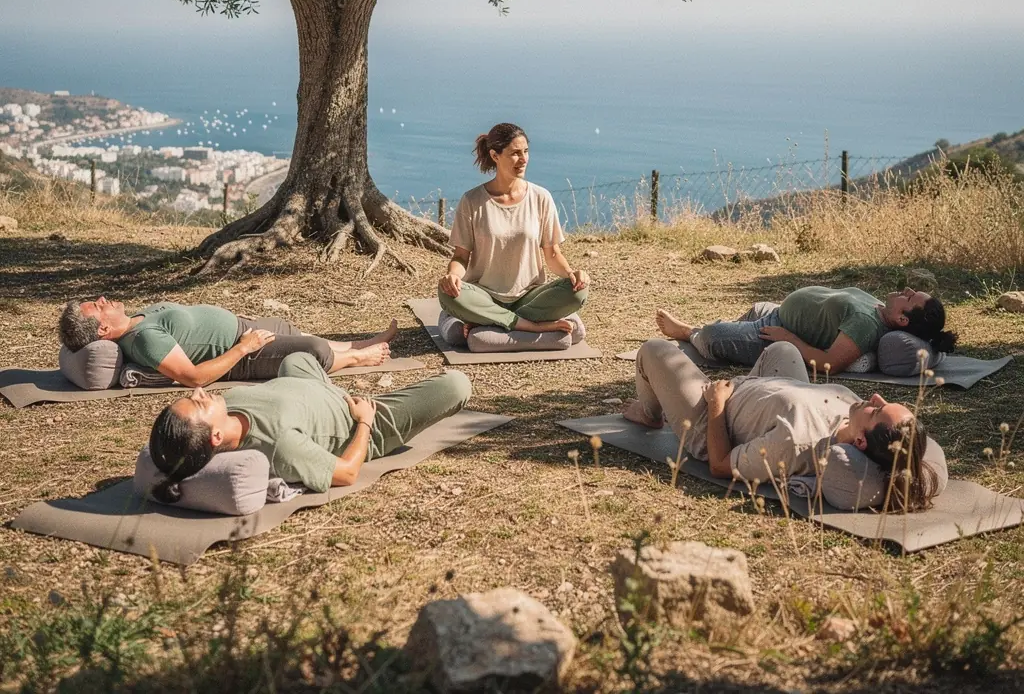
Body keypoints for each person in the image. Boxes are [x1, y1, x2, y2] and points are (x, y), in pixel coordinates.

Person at [624, 338, 939, 512]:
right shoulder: (852, 413)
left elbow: (720, 465)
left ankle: (649, 412)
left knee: (654, 350)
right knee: (782, 349)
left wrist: (716, 403)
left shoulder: (795, 443)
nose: (875, 396)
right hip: (760, 394)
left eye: (875, 411)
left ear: (859, 442)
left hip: (710, 418)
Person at [147, 352, 472, 498]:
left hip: (313, 386)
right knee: (457, 384)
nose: (201, 391)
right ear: (215, 436)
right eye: (200, 403)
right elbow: (346, 472)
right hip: (358, 415)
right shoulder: (278, 447)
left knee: (297, 359)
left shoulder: (228, 406)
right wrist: (365, 423)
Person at [438, 122, 589, 336]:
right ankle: (531, 326)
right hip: (484, 295)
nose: (523, 159)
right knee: (446, 294)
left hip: (530, 296)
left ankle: (492, 320)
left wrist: (572, 274)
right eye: (515, 153)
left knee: (578, 293)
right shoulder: (471, 201)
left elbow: (553, 253)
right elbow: (461, 256)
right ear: (495, 155)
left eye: (526, 152)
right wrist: (452, 275)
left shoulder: (541, 197)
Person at [58, 296, 397, 387]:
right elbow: (193, 378)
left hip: (243, 329)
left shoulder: (137, 320)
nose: (103, 299)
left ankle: (357, 344)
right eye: (98, 307)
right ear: (103, 331)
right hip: (244, 356)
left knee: (291, 330)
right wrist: (243, 348)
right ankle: (358, 358)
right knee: (314, 351)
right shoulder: (143, 339)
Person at [655, 286, 957, 374]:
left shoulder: (868, 324)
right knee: (749, 313)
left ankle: (688, 333)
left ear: (903, 320)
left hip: (776, 335)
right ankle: (726, 331)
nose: (906, 289)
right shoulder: (879, 307)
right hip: (775, 314)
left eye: (909, 297)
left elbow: (829, 364)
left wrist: (790, 340)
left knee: (712, 336)